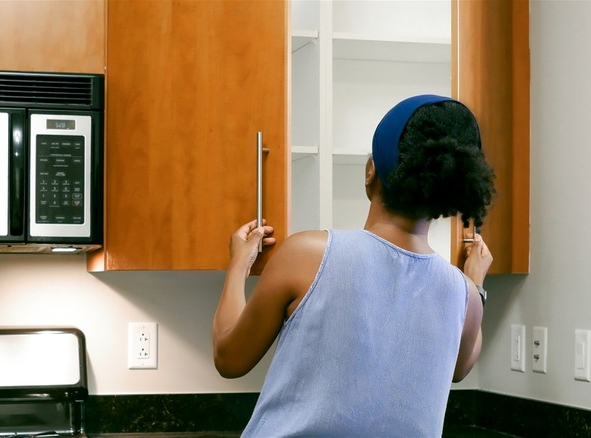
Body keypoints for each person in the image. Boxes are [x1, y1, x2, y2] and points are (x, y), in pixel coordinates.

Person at [212, 94, 496, 437]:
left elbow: (229, 358)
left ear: (370, 171)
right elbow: (461, 367)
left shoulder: (307, 254)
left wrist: (239, 264)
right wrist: (475, 283)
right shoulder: (463, 295)